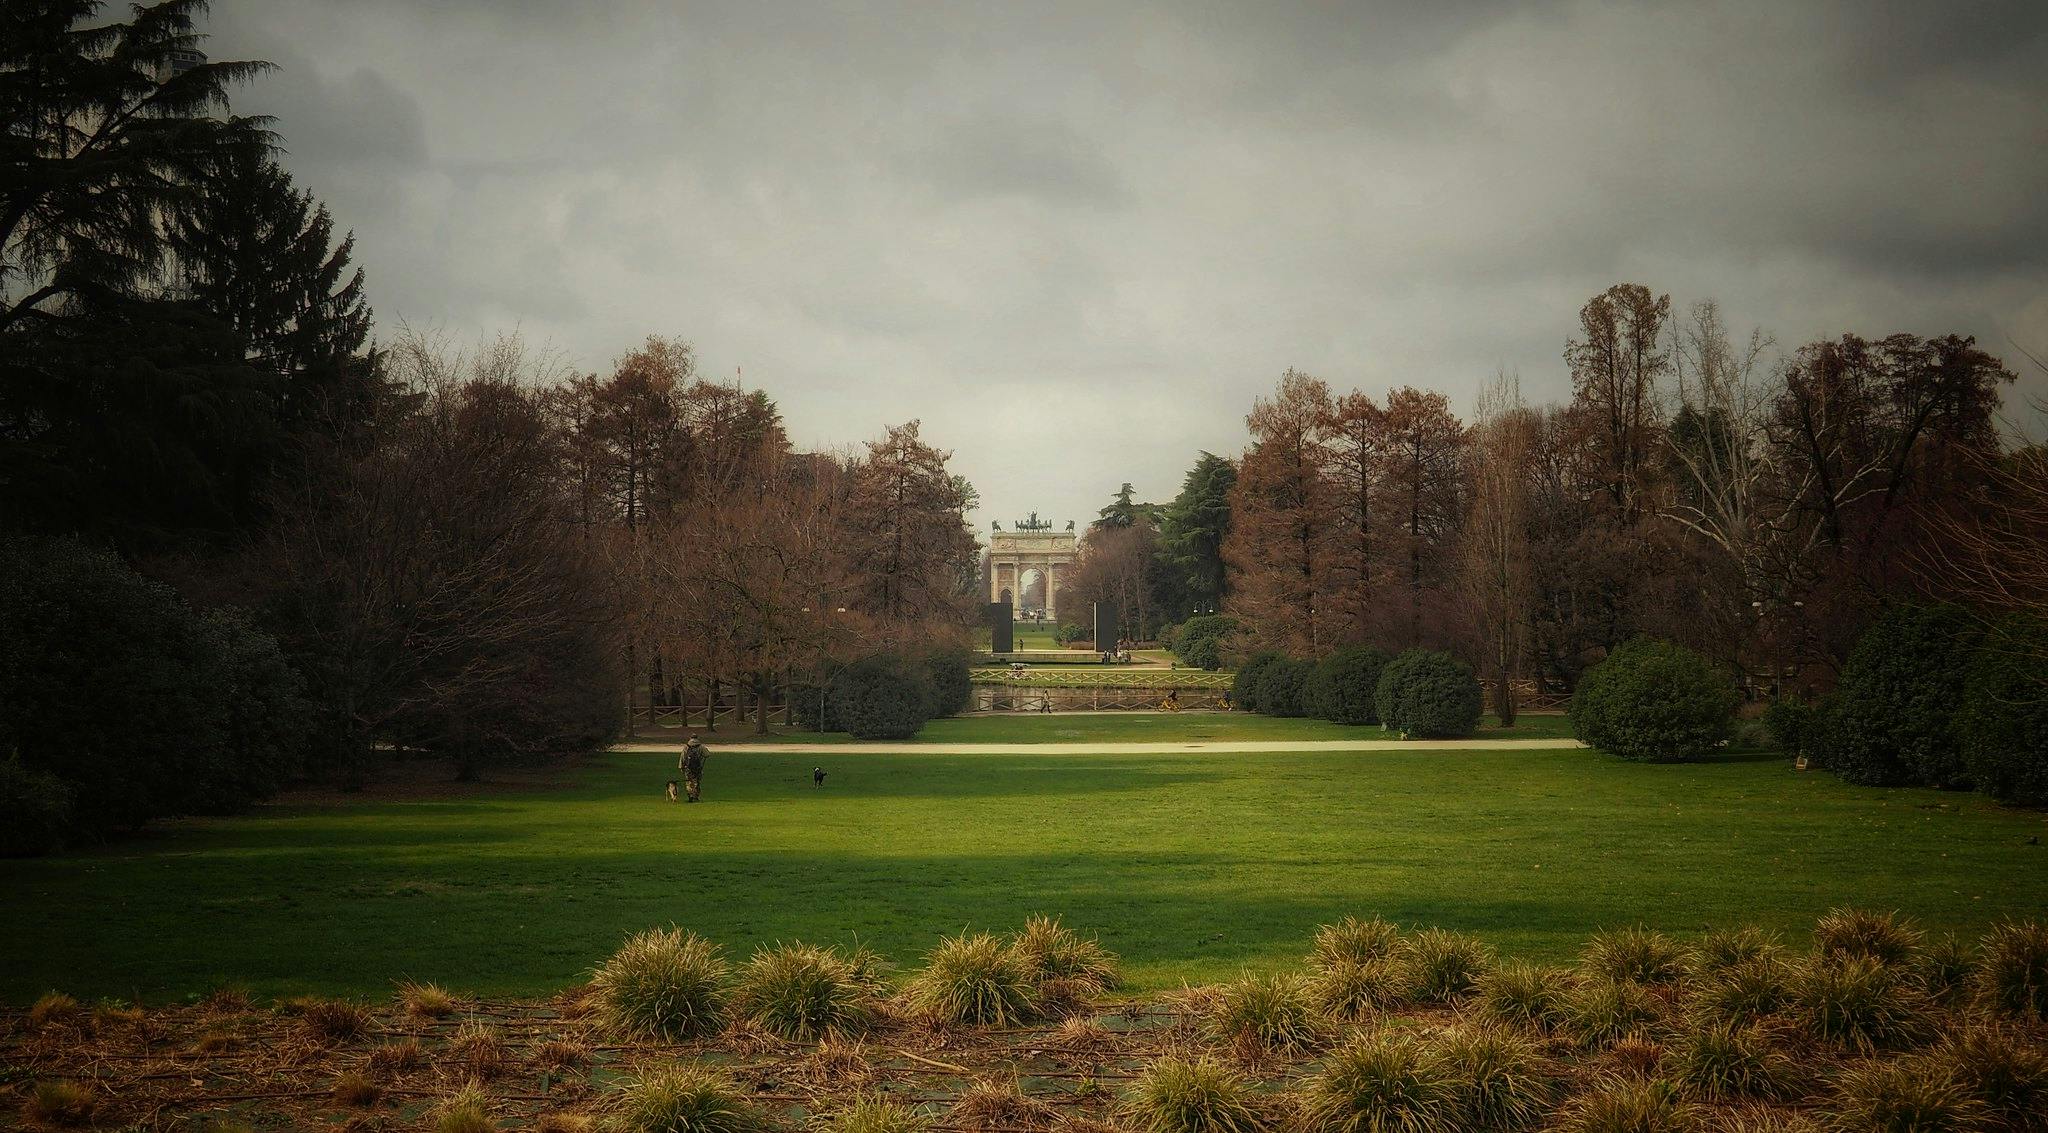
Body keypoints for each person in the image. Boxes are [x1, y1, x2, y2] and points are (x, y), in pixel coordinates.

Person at [679, 734, 707, 803]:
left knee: (689, 782)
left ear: (690, 738)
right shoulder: (701, 746)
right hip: (698, 768)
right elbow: (707, 754)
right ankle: (696, 796)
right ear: (697, 738)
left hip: (688, 768)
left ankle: (690, 796)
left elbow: (682, 757)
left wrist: (681, 766)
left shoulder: (686, 746)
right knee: (696, 782)